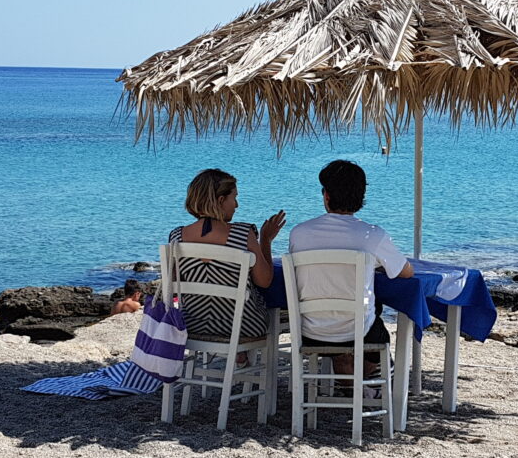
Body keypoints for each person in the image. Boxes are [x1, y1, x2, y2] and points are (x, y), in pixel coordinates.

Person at [287, 159, 414, 375]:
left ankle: (350, 385)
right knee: (377, 324)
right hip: (359, 331)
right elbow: (406, 272)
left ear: (326, 196)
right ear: (361, 197)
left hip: (310, 331)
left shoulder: (299, 234)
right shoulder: (373, 236)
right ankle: (365, 382)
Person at [168, 169, 284, 342]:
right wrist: (266, 240)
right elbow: (264, 281)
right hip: (243, 325)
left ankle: (238, 356)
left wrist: (177, 310)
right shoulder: (243, 234)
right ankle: (240, 355)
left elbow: (173, 290)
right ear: (221, 200)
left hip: (191, 323)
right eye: (234, 198)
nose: (236, 205)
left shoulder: (176, 237)